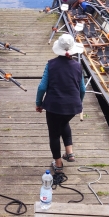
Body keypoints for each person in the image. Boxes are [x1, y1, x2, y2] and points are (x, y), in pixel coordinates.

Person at [36, 34, 86, 173]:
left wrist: (38, 103)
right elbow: (83, 89)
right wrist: (78, 104)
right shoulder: (78, 66)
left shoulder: (51, 64)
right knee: (64, 122)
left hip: (54, 106)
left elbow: (42, 87)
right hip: (72, 107)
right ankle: (69, 153)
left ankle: (58, 164)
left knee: (54, 134)